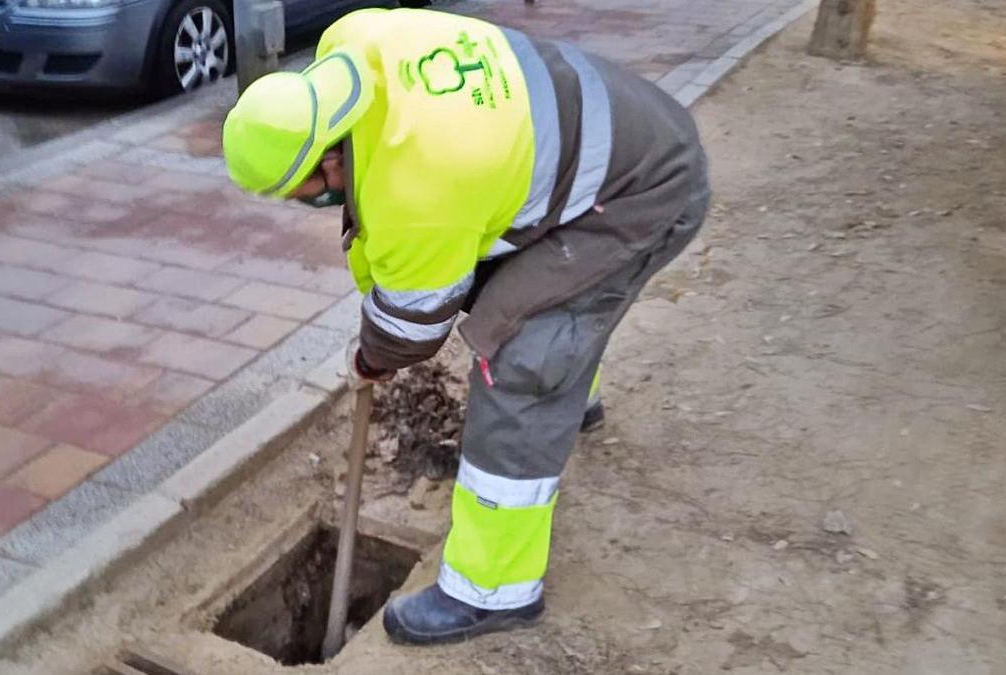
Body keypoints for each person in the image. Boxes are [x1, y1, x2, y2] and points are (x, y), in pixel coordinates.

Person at [221, 7, 709, 646]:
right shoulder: (356, 39)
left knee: (524, 359)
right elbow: (394, 243)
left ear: (329, 162)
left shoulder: (419, 185)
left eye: (299, 191)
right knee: (515, 289)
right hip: (614, 129)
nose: (303, 203)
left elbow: (414, 325)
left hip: (643, 190)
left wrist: (372, 357)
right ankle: (575, 395)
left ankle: (493, 592)